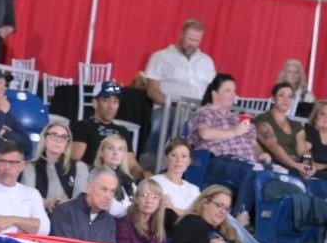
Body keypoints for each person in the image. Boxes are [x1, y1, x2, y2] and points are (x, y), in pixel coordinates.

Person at [187, 73, 271, 218]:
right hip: (217, 161)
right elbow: (205, 134)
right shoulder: (206, 112)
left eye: (234, 91)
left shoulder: (237, 118)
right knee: (253, 170)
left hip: (247, 162)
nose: (233, 95)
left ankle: (262, 222)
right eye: (228, 91)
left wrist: (261, 153)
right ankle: (241, 217)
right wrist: (234, 131)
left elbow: (253, 143)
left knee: (275, 172)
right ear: (214, 93)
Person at [143, 19, 216, 156]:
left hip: (198, 110)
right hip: (167, 107)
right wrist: (173, 104)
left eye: (197, 41)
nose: (193, 44)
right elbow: (152, 90)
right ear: (181, 35)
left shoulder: (207, 61)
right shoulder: (160, 56)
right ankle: (150, 163)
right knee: (160, 126)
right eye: (190, 39)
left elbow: (214, 91)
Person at [0, 141, 49, 234]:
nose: (7, 167)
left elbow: (44, 230)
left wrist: (12, 220)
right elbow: (0, 229)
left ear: (22, 165)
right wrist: (29, 228)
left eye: (12, 162)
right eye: (2, 162)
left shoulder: (32, 193)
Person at [71, 80, 142, 179]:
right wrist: (99, 175)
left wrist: (145, 175)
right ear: (95, 103)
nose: (111, 106)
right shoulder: (83, 126)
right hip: (91, 180)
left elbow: (133, 166)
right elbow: (75, 163)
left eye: (115, 101)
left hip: (118, 181)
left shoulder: (123, 131)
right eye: (106, 100)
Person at [169, 184, 251, 243]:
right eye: (219, 205)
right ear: (205, 202)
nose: (223, 212)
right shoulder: (190, 221)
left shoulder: (229, 230)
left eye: (226, 208)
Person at [21, 121, 88, 214]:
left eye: (63, 137)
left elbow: (81, 198)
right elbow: (28, 197)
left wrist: (65, 204)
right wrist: (46, 203)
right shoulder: (31, 167)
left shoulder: (79, 167)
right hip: (40, 215)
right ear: (44, 139)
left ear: (67, 143)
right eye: (54, 135)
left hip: (71, 216)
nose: (58, 140)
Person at [255, 82, 315, 178]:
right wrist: (295, 165)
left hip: (296, 166)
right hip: (275, 166)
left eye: (290, 96)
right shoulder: (262, 119)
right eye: (281, 95)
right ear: (274, 98)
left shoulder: (296, 125)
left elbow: (303, 151)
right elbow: (273, 146)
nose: (286, 99)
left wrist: (308, 166)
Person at [49, 166, 117, 243]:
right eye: (104, 189)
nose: (108, 197)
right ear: (89, 188)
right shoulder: (64, 212)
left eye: (112, 191)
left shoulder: (109, 222)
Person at [151, 138, 201, 222]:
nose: (179, 160)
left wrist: (173, 209)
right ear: (166, 158)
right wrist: (188, 213)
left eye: (184, 156)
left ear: (189, 161)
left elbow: (200, 215)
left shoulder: (194, 189)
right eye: (174, 155)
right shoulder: (155, 182)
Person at [115, 178, 168, 243]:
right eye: (144, 195)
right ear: (136, 199)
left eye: (154, 196)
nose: (149, 201)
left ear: (159, 202)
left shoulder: (158, 227)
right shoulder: (124, 224)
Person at [92, 134, 134, 218]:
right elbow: (113, 210)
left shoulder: (128, 179)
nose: (115, 153)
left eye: (120, 149)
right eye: (110, 148)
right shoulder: (96, 176)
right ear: (101, 152)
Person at [300, 100, 327, 179]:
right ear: (315, 117)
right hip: (311, 174)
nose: (326, 117)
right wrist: (308, 167)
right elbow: (305, 153)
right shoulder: (311, 130)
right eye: (322, 114)